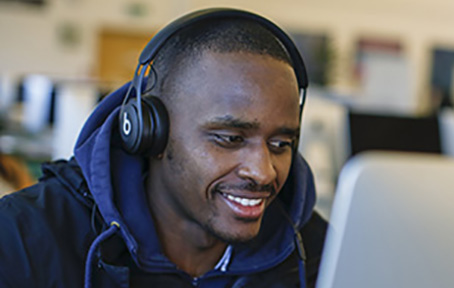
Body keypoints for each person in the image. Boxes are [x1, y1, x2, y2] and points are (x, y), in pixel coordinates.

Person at [0, 8, 327, 288]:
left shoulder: (317, 253)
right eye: (230, 139)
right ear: (149, 132)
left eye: (281, 144)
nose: (263, 171)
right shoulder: (23, 239)